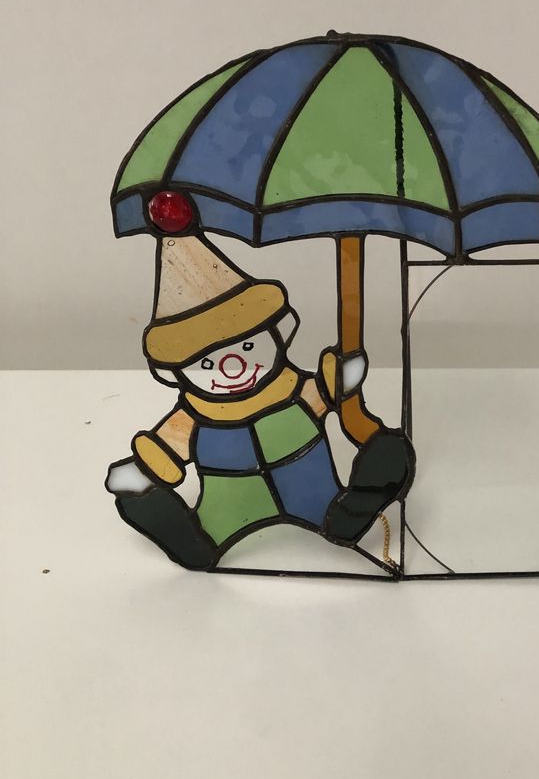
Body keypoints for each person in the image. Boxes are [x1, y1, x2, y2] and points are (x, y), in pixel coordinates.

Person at [105, 234, 414, 570]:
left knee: (389, 450)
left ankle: (351, 514)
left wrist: (341, 380)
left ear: (276, 334)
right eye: (207, 363)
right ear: (176, 371)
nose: (234, 368)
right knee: (154, 506)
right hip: (227, 513)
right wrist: (142, 473)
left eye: (249, 347)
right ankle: (192, 542)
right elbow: (163, 452)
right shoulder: (192, 418)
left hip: (318, 500)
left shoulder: (294, 390)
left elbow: (326, 391)